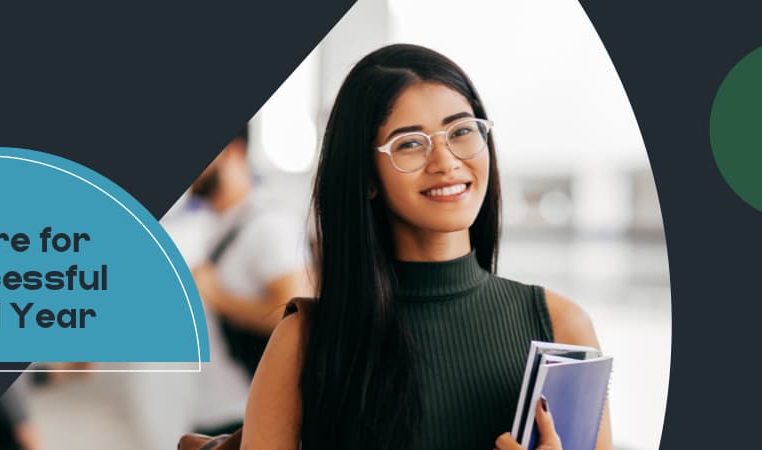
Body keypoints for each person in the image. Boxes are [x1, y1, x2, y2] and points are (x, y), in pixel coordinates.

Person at [242, 44, 613, 450]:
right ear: (366, 177)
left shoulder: (562, 328)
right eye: (410, 143)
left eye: (462, 131)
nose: (446, 161)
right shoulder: (304, 342)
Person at [186, 126, 312, 436]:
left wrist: (218, 297)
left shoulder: (270, 225)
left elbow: (299, 320)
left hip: (246, 421)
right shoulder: (214, 224)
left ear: (234, 150)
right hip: (212, 418)